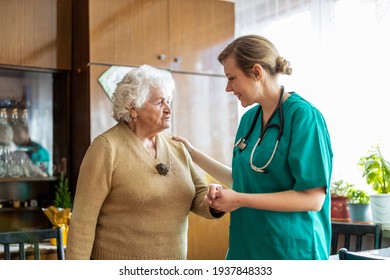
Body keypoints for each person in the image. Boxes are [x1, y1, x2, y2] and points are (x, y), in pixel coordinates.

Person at [172, 34, 333, 260]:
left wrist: (238, 199)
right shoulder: (249, 120)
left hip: (291, 252)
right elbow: (245, 181)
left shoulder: (304, 117)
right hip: (247, 247)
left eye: (231, 78)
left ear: (256, 72)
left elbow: (313, 199)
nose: (228, 88)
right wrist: (192, 154)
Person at [66, 65, 223, 260]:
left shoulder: (177, 147)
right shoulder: (106, 148)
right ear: (133, 108)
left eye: (168, 101)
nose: (168, 109)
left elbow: (198, 195)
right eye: (159, 103)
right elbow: (83, 222)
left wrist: (214, 202)